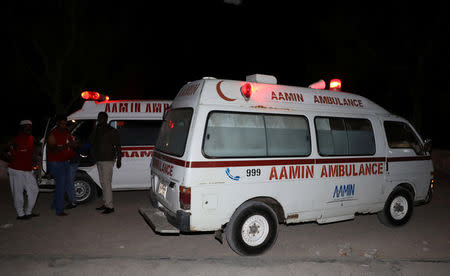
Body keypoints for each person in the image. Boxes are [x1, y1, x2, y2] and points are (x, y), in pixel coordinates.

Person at [6, 120, 40, 220]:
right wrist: (10, 159)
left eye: (30, 127)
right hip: (16, 170)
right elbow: (2, 149)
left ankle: (28, 211)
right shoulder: (15, 139)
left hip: (28, 170)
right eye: (26, 127)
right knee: (18, 193)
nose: (28, 128)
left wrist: (34, 158)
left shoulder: (32, 138)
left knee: (34, 190)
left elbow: (36, 147)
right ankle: (20, 214)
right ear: (21, 128)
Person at [92, 112, 121, 214]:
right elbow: (91, 141)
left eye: (101, 118)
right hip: (99, 159)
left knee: (107, 183)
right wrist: (95, 128)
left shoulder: (111, 130)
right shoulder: (98, 130)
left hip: (108, 159)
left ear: (106, 119)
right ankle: (105, 203)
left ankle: (110, 206)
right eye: (98, 118)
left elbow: (118, 145)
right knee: (103, 182)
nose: (99, 119)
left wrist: (119, 159)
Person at [47, 115, 77, 216]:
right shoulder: (52, 134)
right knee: (61, 186)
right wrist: (66, 146)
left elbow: (72, 143)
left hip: (65, 162)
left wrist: (75, 144)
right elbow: (52, 150)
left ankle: (55, 205)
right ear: (57, 124)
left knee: (63, 186)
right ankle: (59, 210)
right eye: (62, 124)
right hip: (56, 162)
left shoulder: (66, 132)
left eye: (65, 124)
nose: (64, 125)